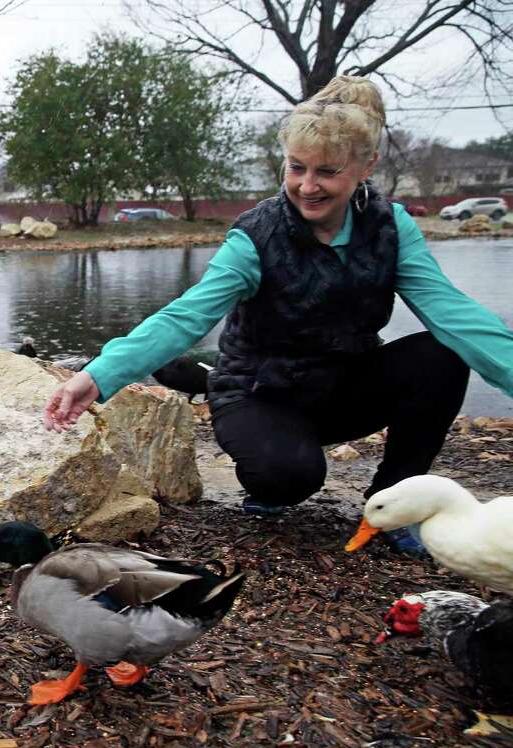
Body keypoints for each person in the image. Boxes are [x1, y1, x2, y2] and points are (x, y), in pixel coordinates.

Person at [42, 75, 513, 551]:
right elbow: (186, 315)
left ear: (365, 165)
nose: (307, 186)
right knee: (287, 479)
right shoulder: (255, 235)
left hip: (346, 386)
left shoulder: (393, 227)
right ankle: (267, 466)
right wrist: (99, 376)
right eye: (296, 168)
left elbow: (455, 315)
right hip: (260, 392)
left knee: (443, 354)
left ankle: (391, 502)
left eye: (326, 172)